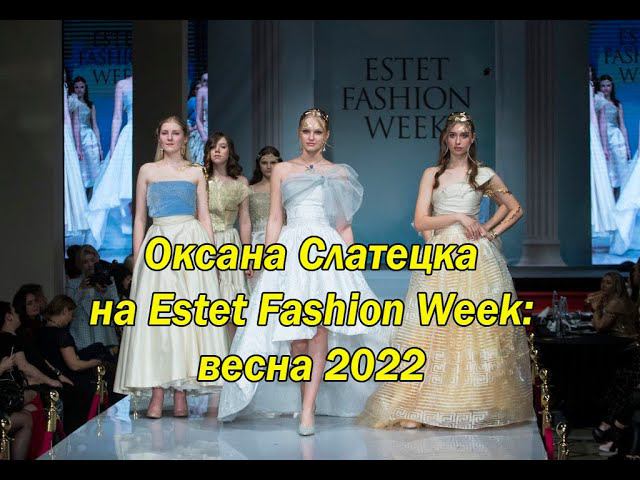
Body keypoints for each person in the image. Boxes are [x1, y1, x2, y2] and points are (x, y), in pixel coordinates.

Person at [218, 108, 387, 436]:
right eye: (306, 131)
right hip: (291, 247)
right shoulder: (282, 170)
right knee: (296, 335)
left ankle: (308, 409)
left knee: (320, 328)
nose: (311, 136)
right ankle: (304, 397)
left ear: (326, 136)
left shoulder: (338, 173)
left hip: (324, 249)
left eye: (317, 131)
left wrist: (351, 261)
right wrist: (266, 257)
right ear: (298, 133)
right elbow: (275, 218)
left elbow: (343, 224)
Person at [359, 111, 533, 430]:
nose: (458, 141)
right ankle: (419, 406)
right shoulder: (433, 174)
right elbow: (421, 220)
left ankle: (471, 403)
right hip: (440, 255)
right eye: (452, 135)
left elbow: (515, 208)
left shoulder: (483, 174)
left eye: (463, 135)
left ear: (472, 139)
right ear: (445, 138)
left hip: (476, 258)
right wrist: (459, 218)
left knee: (474, 330)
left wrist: (489, 232)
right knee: (431, 328)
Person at [114, 115, 229, 418]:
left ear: (184, 138)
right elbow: (140, 218)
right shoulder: (147, 170)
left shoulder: (196, 171)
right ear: (158, 137)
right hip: (158, 243)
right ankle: (157, 392)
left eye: (175, 133)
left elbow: (204, 216)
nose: (169, 137)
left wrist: (213, 259)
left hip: (191, 242)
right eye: (164, 132)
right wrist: (137, 260)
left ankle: (181, 394)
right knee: (156, 319)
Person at [205, 132, 251, 331]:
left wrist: (248, 256)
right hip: (204, 240)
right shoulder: (201, 180)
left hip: (230, 242)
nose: (217, 150)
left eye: (222, 146)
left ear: (230, 151)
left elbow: (245, 220)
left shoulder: (240, 182)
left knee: (232, 303)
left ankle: (231, 348)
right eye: (213, 146)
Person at [87, 76, 134, 247]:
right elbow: (117, 117)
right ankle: (129, 231)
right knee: (123, 186)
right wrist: (113, 147)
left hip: (150, 135)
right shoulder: (122, 85)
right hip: (128, 136)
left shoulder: (152, 82)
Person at [247, 146, 283, 291]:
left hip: (281, 239)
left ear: (279, 163)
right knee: (257, 288)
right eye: (264, 162)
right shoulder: (250, 189)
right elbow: (245, 222)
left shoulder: (285, 188)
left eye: (273, 162)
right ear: (258, 164)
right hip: (256, 242)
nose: (268, 166)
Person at [63, 67, 91, 244]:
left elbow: (70, 120)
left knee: (70, 176)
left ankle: (69, 219)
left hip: (65, 134)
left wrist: (76, 146)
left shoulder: (68, 93)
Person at [597, 75, 631, 200]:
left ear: (612, 87)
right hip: (603, 137)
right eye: (603, 86)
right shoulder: (597, 102)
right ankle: (609, 202)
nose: (606, 88)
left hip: (616, 138)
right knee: (608, 171)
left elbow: (622, 125)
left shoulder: (617, 104)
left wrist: (627, 146)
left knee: (621, 169)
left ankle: (620, 201)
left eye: (608, 85)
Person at [70, 76, 103, 195]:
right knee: (80, 170)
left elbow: (95, 125)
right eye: (76, 87)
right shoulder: (71, 102)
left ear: (85, 88)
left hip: (89, 139)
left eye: (82, 87)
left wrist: (99, 146)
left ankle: (91, 200)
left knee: (94, 169)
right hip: (75, 137)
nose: (79, 90)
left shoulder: (90, 105)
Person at [188, 73, 208, 165]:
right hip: (203, 129)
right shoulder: (195, 98)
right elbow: (197, 118)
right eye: (204, 80)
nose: (206, 82)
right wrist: (203, 136)